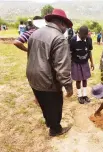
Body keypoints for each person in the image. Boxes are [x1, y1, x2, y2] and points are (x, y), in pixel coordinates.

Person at [27, 9, 73, 137]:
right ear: (62, 23)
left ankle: (49, 122)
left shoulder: (35, 33)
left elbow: (30, 55)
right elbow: (62, 68)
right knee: (55, 105)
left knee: (43, 102)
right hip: (47, 80)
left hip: (32, 76)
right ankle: (55, 129)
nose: (66, 30)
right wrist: (68, 87)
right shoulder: (59, 38)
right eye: (66, 27)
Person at [70, 26, 94, 104]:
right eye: (83, 36)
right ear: (79, 33)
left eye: (86, 36)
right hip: (76, 63)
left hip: (85, 62)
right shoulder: (73, 41)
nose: (85, 38)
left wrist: (92, 62)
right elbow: (69, 54)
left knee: (85, 79)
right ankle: (79, 95)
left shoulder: (88, 39)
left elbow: (89, 51)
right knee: (78, 80)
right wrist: (69, 65)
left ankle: (85, 95)